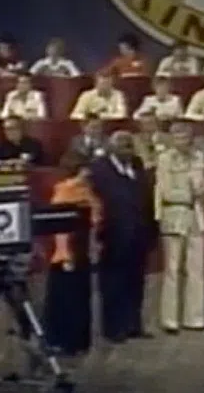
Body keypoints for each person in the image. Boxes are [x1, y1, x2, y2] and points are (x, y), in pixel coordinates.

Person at [91, 131, 154, 342]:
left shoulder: (136, 166)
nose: (128, 150)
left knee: (136, 282)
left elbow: (146, 197)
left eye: (130, 146)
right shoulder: (100, 169)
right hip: (113, 236)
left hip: (139, 234)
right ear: (112, 148)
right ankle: (113, 328)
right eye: (123, 146)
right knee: (113, 284)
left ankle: (133, 324)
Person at [44, 152, 102, 355]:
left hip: (83, 248)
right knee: (66, 298)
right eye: (85, 168)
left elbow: (96, 217)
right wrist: (65, 255)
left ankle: (79, 341)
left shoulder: (87, 190)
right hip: (68, 251)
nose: (90, 172)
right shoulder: (65, 191)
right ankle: (62, 341)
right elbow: (60, 227)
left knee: (81, 296)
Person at [155, 122, 204, 333]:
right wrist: (189, 194)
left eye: (186, 138)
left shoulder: (198, 157)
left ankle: (195, 318)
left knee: (197, 268)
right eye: (178, 138)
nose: (182, 142)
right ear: (171, 139)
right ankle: (170, 319)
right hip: (175, 213)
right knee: (172, 268)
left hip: (196, 215)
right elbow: (165, 190)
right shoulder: (165, 159)